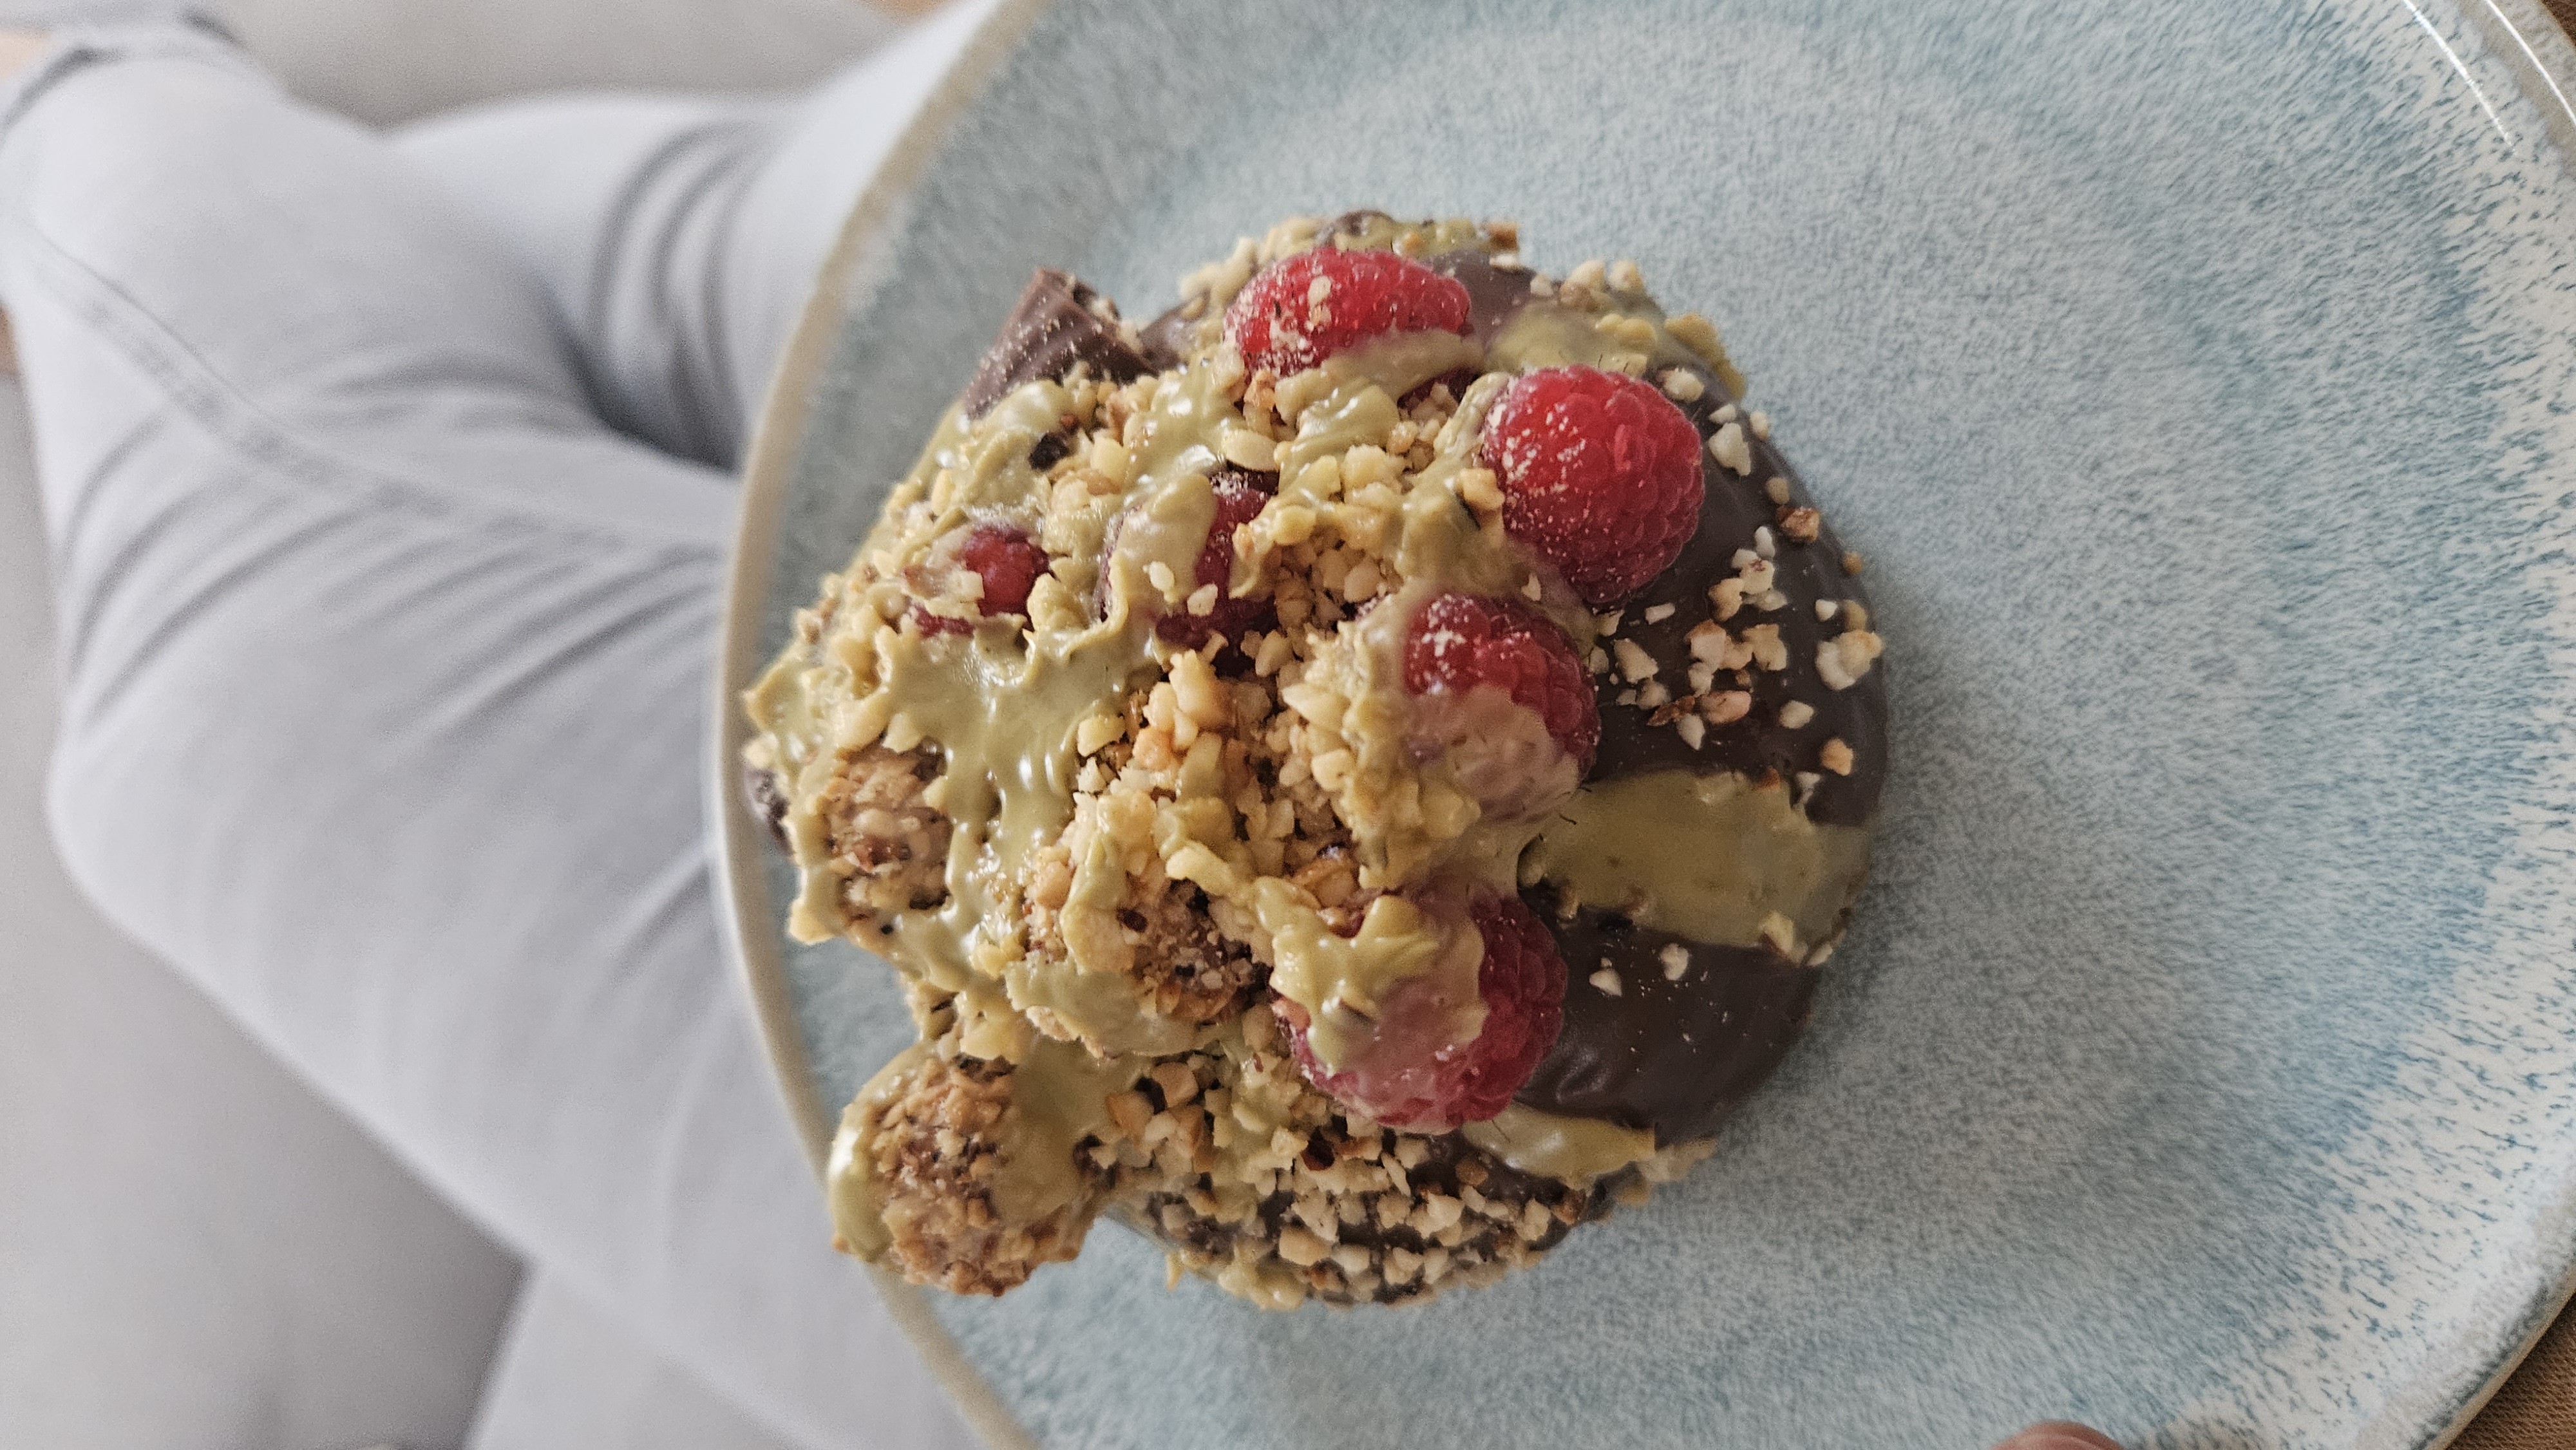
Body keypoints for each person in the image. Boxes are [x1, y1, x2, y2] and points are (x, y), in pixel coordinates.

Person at [0, 8, 2123, 1447]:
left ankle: (84, 97)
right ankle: (175, 130)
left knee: (206, 726)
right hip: (1055, 555)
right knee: (698, 262)